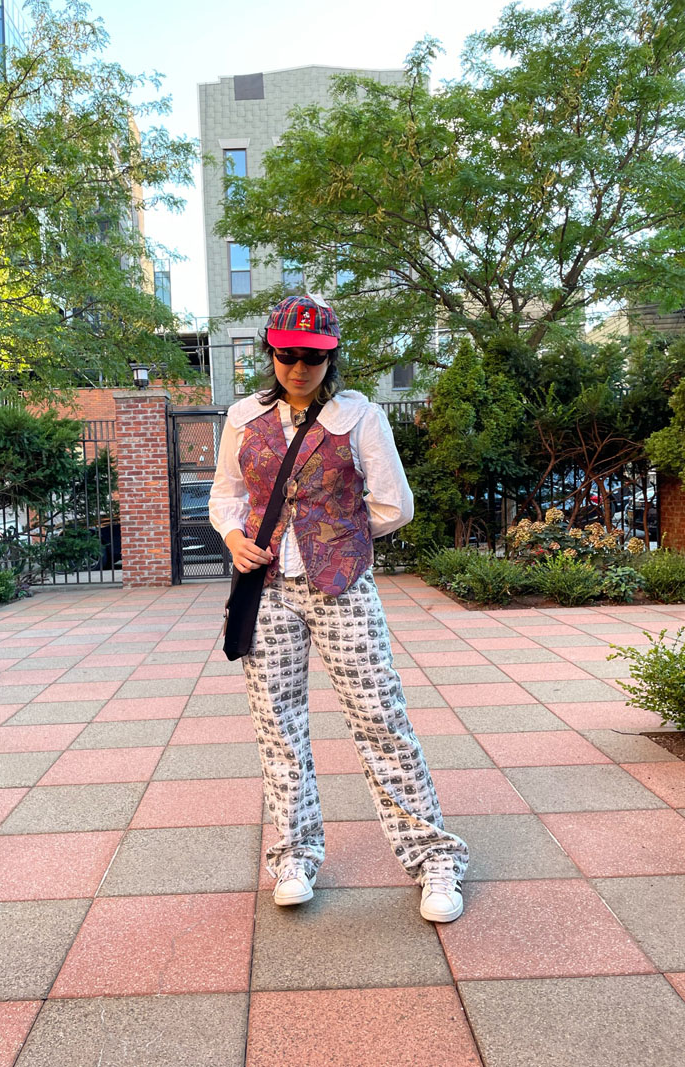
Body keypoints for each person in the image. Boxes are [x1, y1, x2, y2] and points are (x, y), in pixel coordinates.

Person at [209, 293, 469, 922]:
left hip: (343, 588)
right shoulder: (244, 418)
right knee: (279, 727)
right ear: (271, 353)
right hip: (267, 590)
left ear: (332, 359)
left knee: (380, 716)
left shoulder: (359, 417)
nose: (299, 369)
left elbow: (393, 505)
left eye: (314, 358)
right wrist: (236, 537)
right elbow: (227, 494)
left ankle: (435, 856)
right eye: (288, 356)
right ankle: (295, 853)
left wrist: (343, 540)